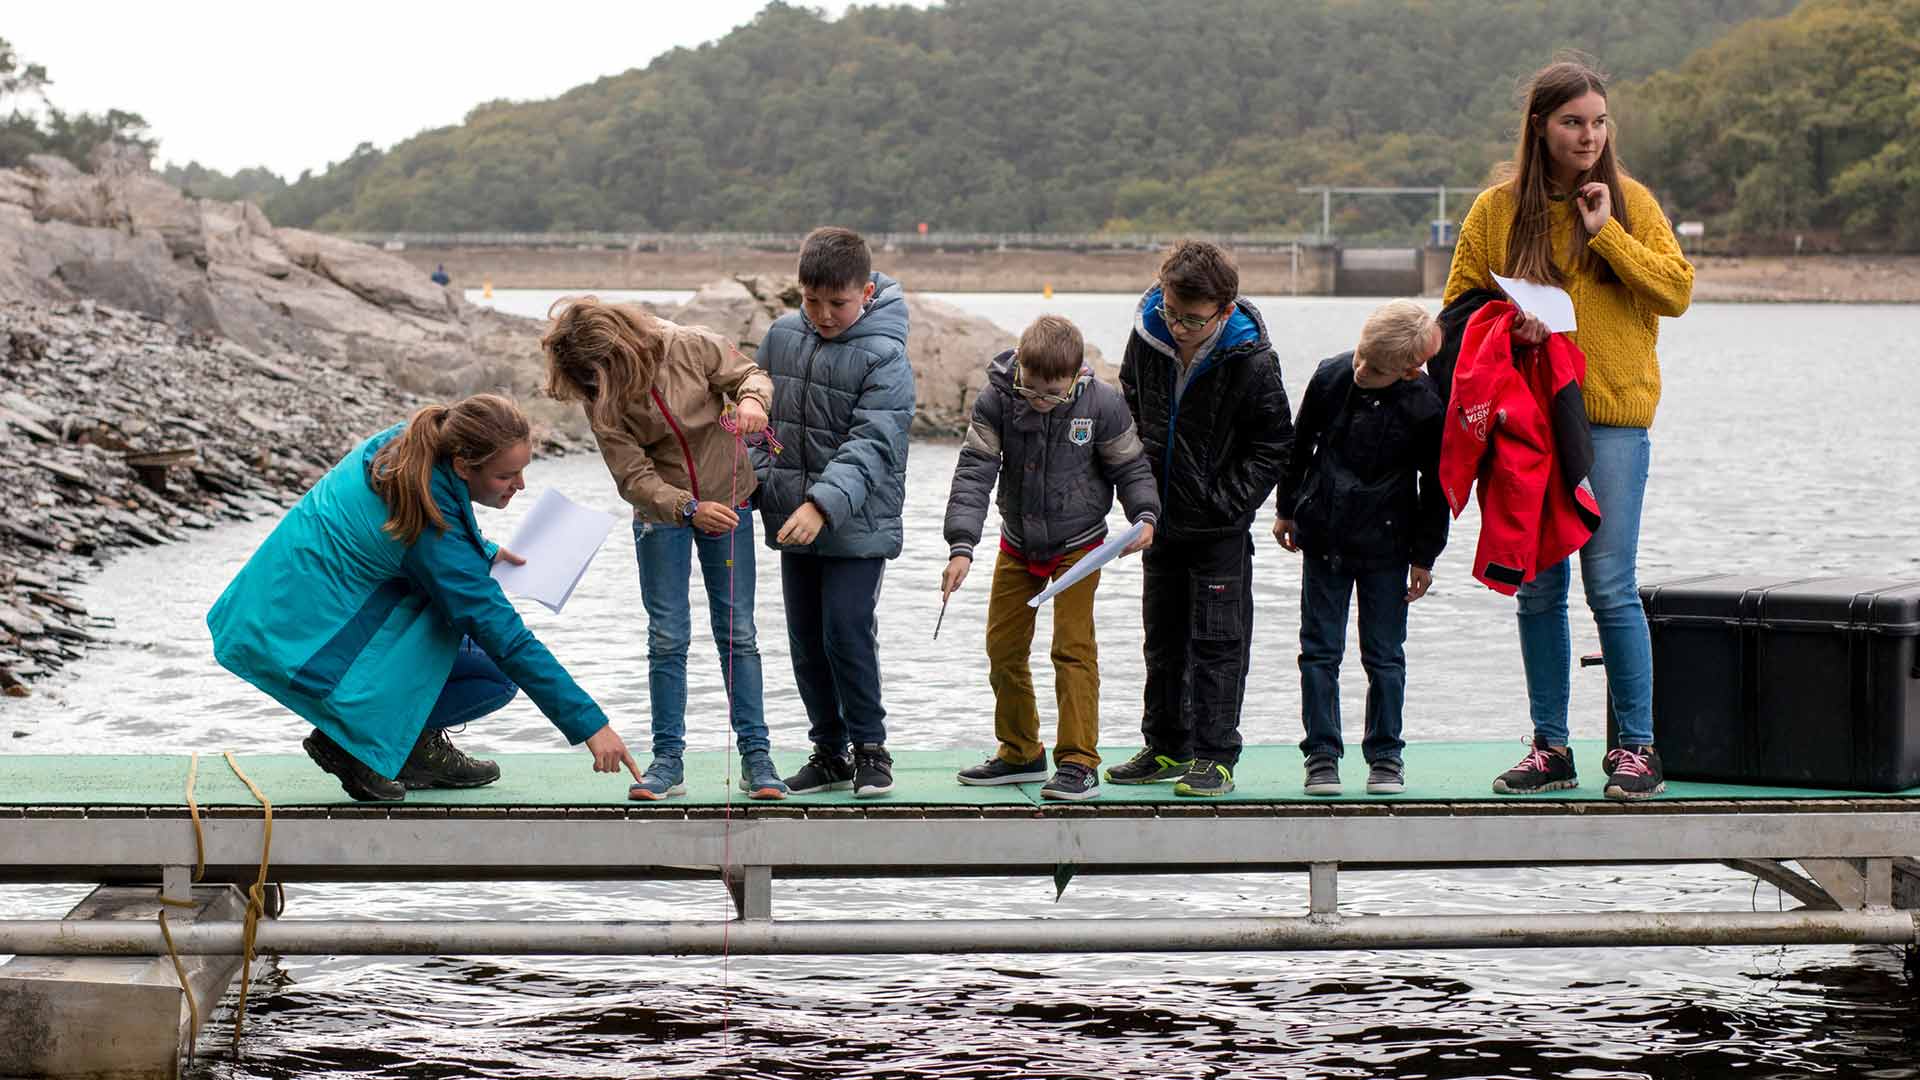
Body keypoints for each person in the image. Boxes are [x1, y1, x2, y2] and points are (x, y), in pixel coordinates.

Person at [1443, 56, 1694, 800]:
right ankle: (1551, 746)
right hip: (1526, 422)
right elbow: (1454, 311)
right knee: (1537, 590)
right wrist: (1506, 324)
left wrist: (1606, 232)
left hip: (1610, 418)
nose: (1589, 135)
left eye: (1598, 122)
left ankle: (1637, 748)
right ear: (1540, 128)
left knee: (1610, 585)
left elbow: (1676, 292)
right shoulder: (1495, 210)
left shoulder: (1630, 201)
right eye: (1572, 122)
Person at [207, 394, 642, 801]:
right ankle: (355, 744)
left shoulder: (411, 447)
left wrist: (482, 552)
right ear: (462, 465)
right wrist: (592, 726)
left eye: (523, 471)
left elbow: (400, 532)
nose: (520, 486)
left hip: (278, 606)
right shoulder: (429, 524)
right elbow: (504, 635)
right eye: (506, 476)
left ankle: (398, 742)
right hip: (298, 635)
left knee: (455, 623)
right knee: (491, 670)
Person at [541, 296, 786, 801]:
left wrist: (752, 402)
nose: (601, 383)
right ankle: (668, 760)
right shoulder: (598, 390)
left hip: (731, 499)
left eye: (606, 370)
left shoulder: (691, 345)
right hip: (661, 516)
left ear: (623, 347)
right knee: (668, 636)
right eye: (592, 377)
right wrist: (687, 507)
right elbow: (630, 475)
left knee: (739, 631)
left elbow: (751, 374)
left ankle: (757, 759)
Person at [941, 315, 1159, 801]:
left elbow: (1131, 466)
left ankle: (1079, 761)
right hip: (1017, 545)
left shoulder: (1103, 404)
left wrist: (1145, 515)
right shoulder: (997, 398)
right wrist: (961, 546)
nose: (1040, 401)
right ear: (1019, 368)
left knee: (1072, 648)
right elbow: (974, 473)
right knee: (1003, 648)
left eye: (1052, 394)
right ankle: (1020, 751)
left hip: (1081, 546)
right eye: (1032, 390)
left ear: (1077, 374)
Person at [1113, 240, 1293, 797]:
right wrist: (1138, 492)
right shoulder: (1146, 338)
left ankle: (1215, 757)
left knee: (1219, 642)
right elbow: (1127, 409)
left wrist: (1228, 503)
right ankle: (1166, 745)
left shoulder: (1253, 359)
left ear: (1225, 308)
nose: (1180, 327)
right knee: (1161, 639)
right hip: (1160, 522)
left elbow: (1274, 445)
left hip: (1219, 529)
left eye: (1193, 319)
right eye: (1171, 312)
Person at [751, 226, 913, 799]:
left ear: (866, 292)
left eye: (837, 302)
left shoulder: (887, 356)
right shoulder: (779, 337)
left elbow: (873, 443)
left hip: (857, 524)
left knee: (845, 631)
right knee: (804, 639)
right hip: (790, 522)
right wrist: (753, 482)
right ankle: (829, 752)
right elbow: (759, 429)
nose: (822, 314)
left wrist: (821, 504)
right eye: (810, 300)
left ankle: (871, 748)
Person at [1274, 300, 1448, 797]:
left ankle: (1386, 755)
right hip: (1323, 535)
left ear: (1409, 371)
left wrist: (1424, 556)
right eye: (1361, 357)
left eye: (1374, 368)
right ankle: (1322, 755)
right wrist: (1287, 508)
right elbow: (1298, 445)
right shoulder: (1332, 376)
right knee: (1319, 650)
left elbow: (1435, 487)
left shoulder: (1424, 405)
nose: (1361, 369)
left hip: (1389, 546)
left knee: (1385, 656)